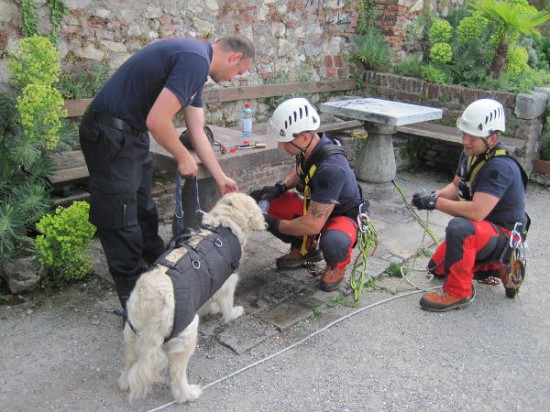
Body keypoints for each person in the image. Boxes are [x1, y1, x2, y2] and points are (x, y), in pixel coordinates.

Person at [79, 35, 255, 309]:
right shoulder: (195, 60)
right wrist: (182, 155)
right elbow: (157, 120)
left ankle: (160, 287)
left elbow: (197, 131)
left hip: (132, 134)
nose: (234, 78)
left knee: (145, 212)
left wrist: (220, 177)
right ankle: (138, 311)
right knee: (121, 219)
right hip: (109, 134)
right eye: (239, 72)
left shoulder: (197, 67)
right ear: (234, 57)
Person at [411, 98, 528, 312]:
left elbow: (476, 212)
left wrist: (436, 203)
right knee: (436, 267)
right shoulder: (470, 154)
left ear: (492, 138)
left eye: (472, 137)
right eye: (464, 134)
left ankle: (459, 292)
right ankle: (491, 268)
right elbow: (457, 187)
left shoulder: (499, 167)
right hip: (484, 228)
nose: (465, 141)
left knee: (460, 228)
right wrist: (431, 196)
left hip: (502, 233)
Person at [251, 97, 367, 292]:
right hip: (315, 207)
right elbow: (301, 170)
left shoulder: (332, 168)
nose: (281, 146)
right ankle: (305, 249)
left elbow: (313, 224)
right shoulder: (310, 146)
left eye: (285, 141)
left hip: (342, 215)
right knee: (260, 199)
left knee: (334, 242)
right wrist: (281, 187)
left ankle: (336, 265)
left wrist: (271, 223)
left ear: (304, 137)